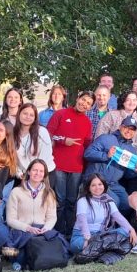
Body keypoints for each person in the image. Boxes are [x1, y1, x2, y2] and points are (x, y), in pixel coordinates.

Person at [46, 92, 93, 234]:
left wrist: (85, 167)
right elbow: (47, 134)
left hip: (77, 167)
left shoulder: (87, 122)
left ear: (90, 107)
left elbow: (87, 145)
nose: (84, 104)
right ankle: (58, 231)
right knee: (59, 200)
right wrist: (63, 140)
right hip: (59, 165)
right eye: (83, 99)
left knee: (72, 201)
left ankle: (70, 232)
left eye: (88, 103)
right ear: (77, 98)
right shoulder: (61, 114)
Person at [3, 159, 59, 270]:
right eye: (34, 170)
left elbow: (52, 217)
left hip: (42, 230)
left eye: (41, 171)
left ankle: (37, 259)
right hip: (22, 230)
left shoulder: (49, 193)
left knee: (55, 246)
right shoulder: (16, 192)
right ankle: (20, 259)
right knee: (11, 251)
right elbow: (10, 219)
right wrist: (28, 228)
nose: (37, 173)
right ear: (28, 171)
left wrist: (46, 228)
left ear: (44, 175)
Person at [70, 173, 137, 256]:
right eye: (93, 185)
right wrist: (88, 238)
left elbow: (118, 216)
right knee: (77, 245)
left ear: (104, 185)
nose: (97, 188)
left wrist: (131, 229)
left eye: (100, 184)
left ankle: (99, 248)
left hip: (101, 235)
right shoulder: (83, 201)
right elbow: (82, 220)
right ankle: (103, 247)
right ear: (88, 187)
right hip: (82, 236)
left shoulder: (108, 200)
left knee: (124, 231)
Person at [82, 115, 137, 210]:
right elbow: (88, 154)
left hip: (113, 184)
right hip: (96, 180)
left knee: (127, 203)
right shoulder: (106, 138)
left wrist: (135, 169)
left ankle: (116, 220)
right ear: (120, 127)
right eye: (126, 127)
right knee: (114, 202)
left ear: (135, 132)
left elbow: (128, 175)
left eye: (132, 129)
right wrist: (106, 155)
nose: (128, 131)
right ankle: (105, 220)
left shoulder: (132, 150)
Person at [12, 102, 55, 180]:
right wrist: (18, 172)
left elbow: (44, 157)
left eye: (31, 115)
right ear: (19, 114)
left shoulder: (41, 132)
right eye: (25, 113)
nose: (28, 117)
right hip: (23, 175)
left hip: (43, 174)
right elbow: (12, 157)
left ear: (35, 118)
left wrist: (35, 173)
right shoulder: (13, 133)